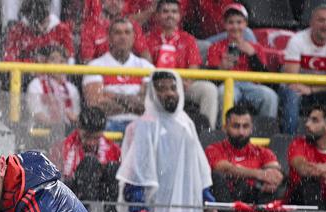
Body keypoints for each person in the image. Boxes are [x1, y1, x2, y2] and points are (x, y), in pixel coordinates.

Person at [116, 69, 214, 212]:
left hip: (187, 205)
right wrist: (138, 208)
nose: (169, 93)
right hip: (155, 208)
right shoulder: (146, 126)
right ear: (153, 93)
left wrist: (207, 199)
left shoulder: (187, 124)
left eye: (173, 88)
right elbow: (136, 172)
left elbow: (199, 168)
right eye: (161, 89)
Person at [143, 0, 219, 129]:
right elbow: (146, 67)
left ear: (180, 16)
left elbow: (193, 69)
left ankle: (208, 133)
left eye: (174, 12)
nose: (170, 15)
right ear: (157, 15)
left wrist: (181, 83)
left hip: (183, 85)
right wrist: (163, 85)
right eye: (165, 11)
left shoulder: (188, 39)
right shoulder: (148, 38)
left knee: (209, 89)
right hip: (156, 85)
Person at [205, 104, 284, 212]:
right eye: (236, 126)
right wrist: (259, 174)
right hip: (225, 211)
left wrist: (271, 180)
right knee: (217, 178)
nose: (241, 132)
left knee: (274, 187)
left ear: (251, 128)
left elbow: (276, 174)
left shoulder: (263, 152)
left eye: (245, 126)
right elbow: (223, 168)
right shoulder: (214, 149)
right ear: (225, 128)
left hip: (252, 207)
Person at [280, 4, 326, 134]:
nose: (325, 25)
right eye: (321, 20)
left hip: (323, 90)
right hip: (300, 89)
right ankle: (289, 140)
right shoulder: (297, 40)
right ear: (311, 23)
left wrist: (312, 89)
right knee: (291, 95)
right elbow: (291, 78)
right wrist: (309, 88)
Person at [82, 17, 156, 133]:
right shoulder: (95, 65)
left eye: (127, 32)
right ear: (109, 38)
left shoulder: (146, 67)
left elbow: (149, 105)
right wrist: (133, 104)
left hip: (141, 125)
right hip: (107, 124)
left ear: (133, 38)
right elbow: (96, 106)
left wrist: (114, 96)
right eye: (118, 33)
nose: (123, 37)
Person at [205, 3, 279, 119]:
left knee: (270, 96)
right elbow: (210, 79)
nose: (235, 27)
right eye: (231, 22)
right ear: (224, 25)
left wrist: (252, 55)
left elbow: (266, 78)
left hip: (251, 85)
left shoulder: (256, 47)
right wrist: (221, 68)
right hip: (229, 84)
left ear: (245, 24)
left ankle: (265, 133)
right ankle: (223, 132)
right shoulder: (215, 47)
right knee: (223, 94)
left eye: (239, 22)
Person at [50, 107, 121, 212]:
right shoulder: (62, 148)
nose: (91, 143)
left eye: (96, 138)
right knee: (90, 163)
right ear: (79, 129)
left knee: (112, 167)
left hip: (100, 192)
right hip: (72, 194)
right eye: (87, 137)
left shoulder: (113, 149)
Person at [25, 45, 81, 127]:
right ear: (46, 62)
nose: (57, 64)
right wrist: (56, 127)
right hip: (40, 131)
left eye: (62, 61)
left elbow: (75, 116)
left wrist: (72, 119)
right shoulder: (35, 84)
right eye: (53, 60)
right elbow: (36, 114)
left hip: (67, 132)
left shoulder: (72, 89)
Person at [4, 0, 74, 62]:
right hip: (26, 74)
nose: (41, 29)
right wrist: (32, 62)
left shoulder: (61, 30)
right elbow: (10, 58)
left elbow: (69, 56)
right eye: (37, 26)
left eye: (43, 22)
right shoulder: (19, 31)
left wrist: (50, 60)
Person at [80, 0, 150, 62]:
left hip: (128, 73)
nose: (114, 2)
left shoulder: (132, 25)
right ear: (102, 1)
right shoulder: (91, 27)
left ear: (123, 3)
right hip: (101, 73)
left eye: (118, 0)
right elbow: (87, 61)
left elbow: (145, 54)